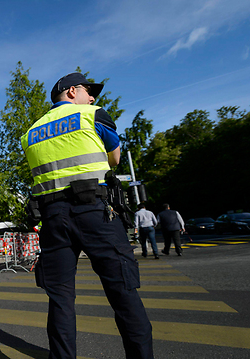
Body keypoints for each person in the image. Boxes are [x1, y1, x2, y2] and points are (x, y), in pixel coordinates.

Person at [21, 72, 153, 359]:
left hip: (52, 219)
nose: (92, 97)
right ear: (71, 92)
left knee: (60, 300)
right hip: (95, 212)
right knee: (123, 293)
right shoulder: (92, 115)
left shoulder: (30, 132)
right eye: (87, 91)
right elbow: (114, 159)